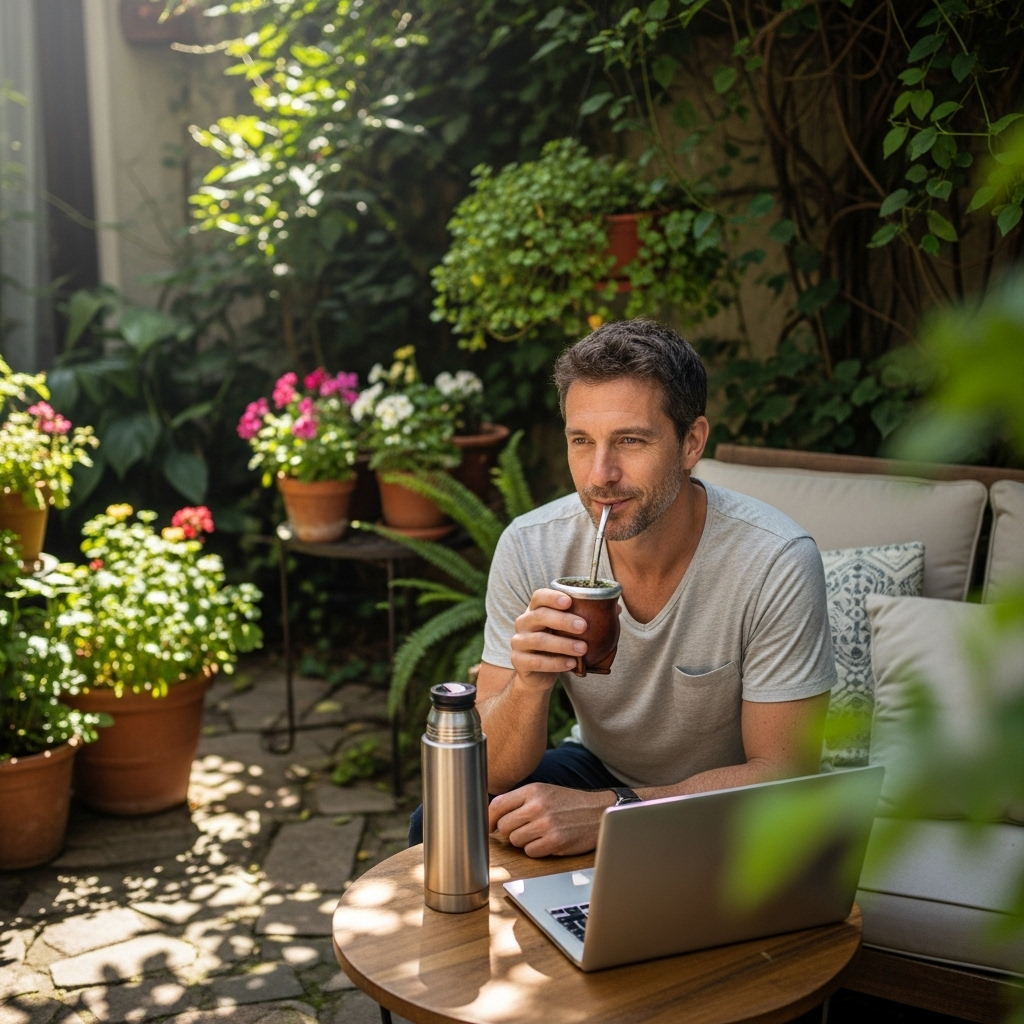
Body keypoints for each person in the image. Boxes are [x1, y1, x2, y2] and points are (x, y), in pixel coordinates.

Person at [408, 318, 835, 855]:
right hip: (602, 766)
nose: (599, 474)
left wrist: (615, 811)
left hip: (730, 800)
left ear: (690, 442)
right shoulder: (532, 546)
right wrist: (529, 684)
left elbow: (786, 774)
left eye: (630, 440)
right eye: (581, 442)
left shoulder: (773, 560)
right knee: (445, 817)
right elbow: (492, 770)